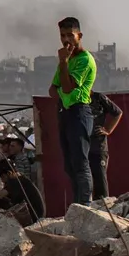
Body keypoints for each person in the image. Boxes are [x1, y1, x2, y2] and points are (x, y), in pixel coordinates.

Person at [50, 16, 97, 206]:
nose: (66, 40)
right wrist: (63, 66)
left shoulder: (84, 60)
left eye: (70, 35)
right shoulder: (67, 60)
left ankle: (85, 204)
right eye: (63, 35)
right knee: (69, 165)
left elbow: (67, 88)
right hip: (66, 112)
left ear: (79, 35)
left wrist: (63, 64)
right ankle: (77, 203)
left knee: (80, 163)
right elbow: (52, 89)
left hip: (80, 112)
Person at [89, 91, 123, 201]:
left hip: (98, 148)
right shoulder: (75, 100)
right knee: (84, 183)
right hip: (82, 148)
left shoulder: (98, 98)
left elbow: (117, 113)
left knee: (100, 183)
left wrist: (107, 129)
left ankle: (104, 210)